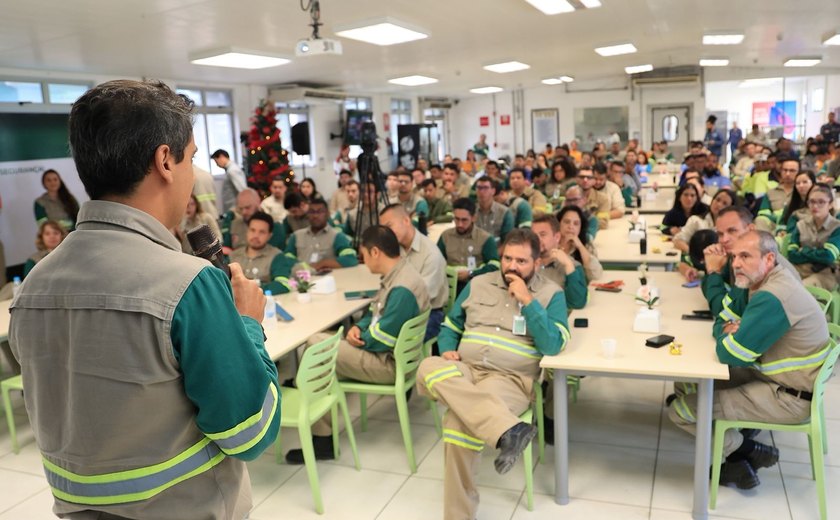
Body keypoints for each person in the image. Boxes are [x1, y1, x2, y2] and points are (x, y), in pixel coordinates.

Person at [9, 79, 280, 519]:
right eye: (192, 158)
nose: (192, 176)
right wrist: (248, 324)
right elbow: (251, 432)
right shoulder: (188, 283)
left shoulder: (33, 287)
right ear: (165, 161)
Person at [416, 229, 570, 520]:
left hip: (510, 379)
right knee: (427, 366)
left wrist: (528, 301)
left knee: (458, 423)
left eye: (521, 261)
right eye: (507, 258)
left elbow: (553, 344)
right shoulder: (478, 284)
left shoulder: (552, 294)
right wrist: (447, 348)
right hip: (465, 369)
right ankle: (508, 430)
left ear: (537, 263)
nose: (512, 266)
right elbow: (450, 326)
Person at [669, 231, 829, 490]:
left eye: (745, 256)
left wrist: (729, 332)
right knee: (688, 381)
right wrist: (728, 329)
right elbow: (724, 316)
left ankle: (744, 449)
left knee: (680, 411)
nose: (735, 264)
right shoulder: (761, 280)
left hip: (787, 396)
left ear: (769, 258)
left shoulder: (773, 295)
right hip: (779, 380)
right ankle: (738, 450)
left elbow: (730, 354)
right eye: (734, 257)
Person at [285, 225, 429, 464]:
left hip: (388, 364)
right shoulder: (400, 275)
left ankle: (322, 440)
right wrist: (358, 328)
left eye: (363, 254)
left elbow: (383, 338)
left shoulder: (402, 288)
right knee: (322, 345)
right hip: (393, 356)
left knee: (316, 345)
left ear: (375, 252)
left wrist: (358, 339)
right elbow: (375, 312)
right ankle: (322, 433)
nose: (362, 260)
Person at [379, 204, 448, 340]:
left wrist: (390, 313)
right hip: (399, 308)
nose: (387, 233)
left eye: (389, 226)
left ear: (406, 220)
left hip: (427, 314)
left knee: (387, 339)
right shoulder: (395, 249)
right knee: (372, 329)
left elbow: (420, 299)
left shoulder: (431, 255)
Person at [438, 197, 501, 289]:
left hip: (477, 285)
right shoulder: (446, 236)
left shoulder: (485, 238)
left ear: (473, 218)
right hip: (449, 285)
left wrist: (471, 273)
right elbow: (436, 262)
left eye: (464, 220)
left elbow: (495, 265)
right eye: (457, 219)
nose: (460, 224)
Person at [787, 183, 840, 289]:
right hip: (800, 268)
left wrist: (804, 251)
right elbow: (791, 254)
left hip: (826, 273)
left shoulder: (837, 227)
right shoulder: (801, 225)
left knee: (800, 289)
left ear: (830, 204)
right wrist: (817, 253)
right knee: (780, 284)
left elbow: (828, 256)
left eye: (821, 202)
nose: (815, 206)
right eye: (812, 202)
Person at [531, 212, 588, 310]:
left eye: (542, 234)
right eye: (534, 235)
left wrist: (568, 266)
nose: (537, 239)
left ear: (557, 237)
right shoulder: (524, 263)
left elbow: (577, 303)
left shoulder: (573, 266)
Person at [284, 197, 358, 270]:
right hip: (300, 275)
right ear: (308, 215)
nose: (315, 216)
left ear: (328, 214)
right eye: (312, 212)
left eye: (320, 212)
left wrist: (324, 263)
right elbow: (286, 259)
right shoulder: (296, 236)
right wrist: (301, 267)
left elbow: (350, 258)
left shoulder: (337, 236)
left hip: (328, 276)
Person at [674, 188, 737, 254]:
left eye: (725, 203)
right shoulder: (696, 220)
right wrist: (694, 255)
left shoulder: (733, 227)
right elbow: (678, 240)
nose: (719, 204)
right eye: (717, 200)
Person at [555, 206, 604, 282]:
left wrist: (580, 247)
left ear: (580, 227)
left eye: (576, 224)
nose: (571, 227)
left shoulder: (586, 243)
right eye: (567, 222)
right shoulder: (550, 242)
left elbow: (596, 275)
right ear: (558, 223)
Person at [757, 157, 799, 230]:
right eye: (785, 170)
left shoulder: (802, 191)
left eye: (792, 171)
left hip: (796, 224)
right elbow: (763, 212)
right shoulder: (771, 192)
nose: (787, 174)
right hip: (774, 224)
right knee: (760, 220)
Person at [474, 176, 514, 244]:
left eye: (486, 188)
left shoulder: (505, 212)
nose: (482, 191)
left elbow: (507, 241)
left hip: (497, 248)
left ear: (493, 191)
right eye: (479, 188)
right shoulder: (471, 211)